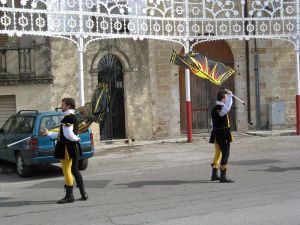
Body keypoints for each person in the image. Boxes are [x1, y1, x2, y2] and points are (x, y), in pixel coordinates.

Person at [41, 98, 88, 203]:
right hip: (73, 147)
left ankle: (69, 196)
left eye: (63, 105)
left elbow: (68, 134)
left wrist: (77, 138)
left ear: (68, 106)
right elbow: (62, 133)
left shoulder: (68, 117)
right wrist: (48, 134)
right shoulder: (72, 116)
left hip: (66, 148)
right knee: (74, 170)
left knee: (67, 171)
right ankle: (83, 193)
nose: (61, 106)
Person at [209, 90, 234, 183]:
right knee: (226, 154)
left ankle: (214, 175)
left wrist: (229, 96)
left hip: (216, 134)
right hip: (223, 134)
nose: (226, 100)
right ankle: (223, 176)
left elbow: (211, 122)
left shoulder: (214, 108)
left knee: (218, 153)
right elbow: (226, 109)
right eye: (226, 98)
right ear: (223, 99)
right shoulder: (220, 107)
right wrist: (230, 96)